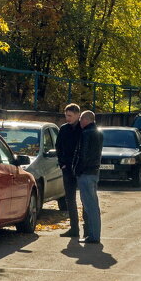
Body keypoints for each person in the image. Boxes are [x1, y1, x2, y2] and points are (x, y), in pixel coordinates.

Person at [75, 109, 103, 244]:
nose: (79, 122)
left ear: (86, 120)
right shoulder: (98, 133)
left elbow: (83, 155)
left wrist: (78, 170)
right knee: (94, 206)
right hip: (94, 172)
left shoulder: (86, 133)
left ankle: (93, 236)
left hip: (86, 173)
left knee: (89, 206)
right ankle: (95, 234)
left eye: (81, 119)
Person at [55, 102, 82, 238]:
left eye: (70, 116)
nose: (68, 118)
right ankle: (74, 228)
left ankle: (88, 228)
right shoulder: (64, 129)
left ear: (78, 115)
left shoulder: (83, 129)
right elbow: (58, 147)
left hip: (81, 168)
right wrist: (62, 164)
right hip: (67, 168)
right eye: (66, 116)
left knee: (84, 199)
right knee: (70, 199)